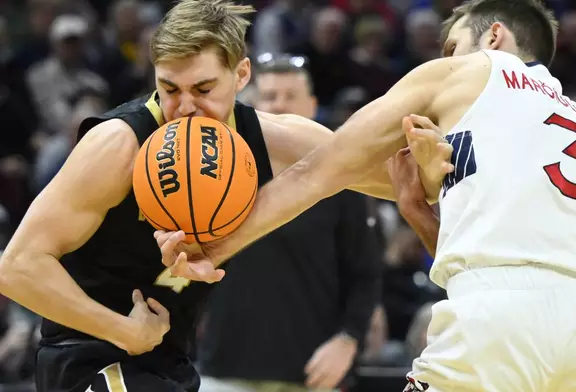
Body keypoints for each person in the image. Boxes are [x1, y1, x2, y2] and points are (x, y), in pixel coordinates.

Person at [158, 0, 576, 390]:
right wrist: (415, 208)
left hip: (502, 317)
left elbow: (318, 171)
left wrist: (212, 248)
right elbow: (470, 260)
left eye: (452, 46)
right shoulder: (569, 115)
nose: (444, 57)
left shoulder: (467, 72)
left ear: (493, 37)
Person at [0, 1, 409, 391]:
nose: (185, 107)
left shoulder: (270, 138)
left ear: (242, 74)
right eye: (169, 88)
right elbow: (16, 267)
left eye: (203, 88)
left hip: (169, 359)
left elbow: (393, 179)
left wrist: (428, 158)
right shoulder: (119, 145)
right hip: (90, 358)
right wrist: (121, 329)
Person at [198, 55, 382, 392]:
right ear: (250, 108)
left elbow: (365, 273)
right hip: (221, 369)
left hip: (311, 374)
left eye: (290, 96)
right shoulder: (214, 171)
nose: (280, 105)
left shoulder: (344, 182)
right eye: (269, 97)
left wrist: (348, 339)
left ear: (312, 106)